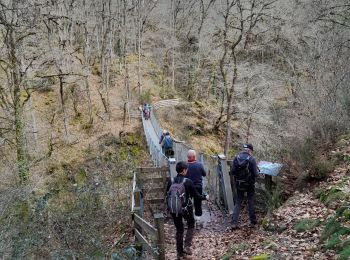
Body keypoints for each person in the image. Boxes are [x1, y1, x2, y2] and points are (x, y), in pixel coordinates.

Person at [167, 161, 208, 259]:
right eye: (187, 169)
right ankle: (187, 246)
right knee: (191, 224)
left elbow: (167, 194)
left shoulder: (171, 180)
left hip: (174, 208)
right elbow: (196, 196)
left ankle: (179, 253)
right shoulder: (188, 181)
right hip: (186, 208)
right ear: (184, 170)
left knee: (179, 230)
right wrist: (205, 197)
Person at [230, 143, 259, 229]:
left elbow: (232, 172)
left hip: (239, 183)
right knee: (250, 201)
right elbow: (256, 174)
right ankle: (253, 222)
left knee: (238, 202)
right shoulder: (252, 159)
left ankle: (233, 223)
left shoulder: (236, 158)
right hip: (249, 184)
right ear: (250, 150)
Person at [186, 149, 207, 228]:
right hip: (198, 187)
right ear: (194, 156)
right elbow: (204, 174)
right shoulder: (200, 165)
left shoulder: (185, 165)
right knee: (198, 202)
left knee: (187, 202)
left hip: (187, 187)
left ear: (188, 157)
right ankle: (198, 220)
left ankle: (189, 219)